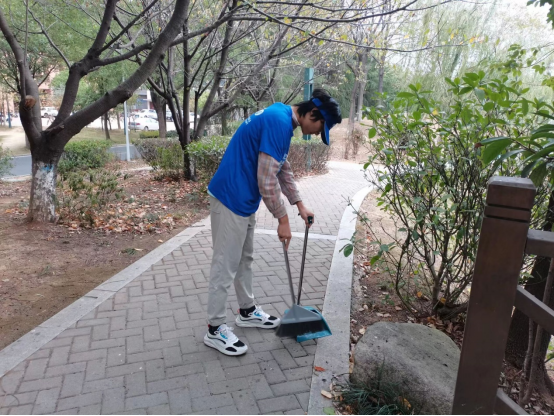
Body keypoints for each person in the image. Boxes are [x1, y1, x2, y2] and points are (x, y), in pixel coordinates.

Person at [204, 88, 342, 356]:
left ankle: (246, 311)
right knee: (225, 264)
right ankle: (215, 328)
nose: (317, 134)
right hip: (230, 197)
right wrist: (282, 220)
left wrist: (299, 204)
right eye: (320, 128)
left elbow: (281, 167)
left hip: (243, 200)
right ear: (313, 113)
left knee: (244, 259)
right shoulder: (279, 122)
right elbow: (266, 180)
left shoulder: (282, 116)